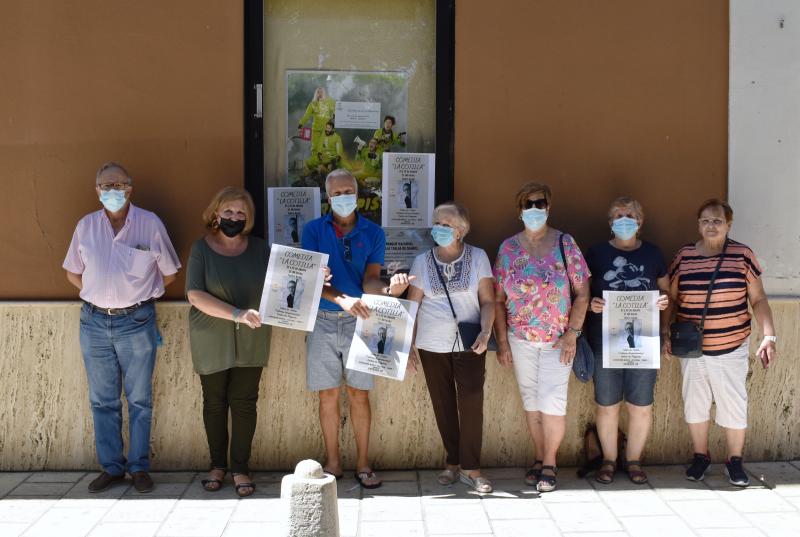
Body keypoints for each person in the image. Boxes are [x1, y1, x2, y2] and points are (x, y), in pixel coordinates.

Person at [63, 162, 180, 493]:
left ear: (131, 188)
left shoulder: (150, 223)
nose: (112, 191)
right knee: (103, 400)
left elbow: (169, 273)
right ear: (96, 190)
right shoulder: (85, 226)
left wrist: (139, 295)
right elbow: (73, 272)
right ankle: (112, 467)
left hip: (137, 321)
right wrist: (99, 294)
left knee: (140, 399)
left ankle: (139, 467)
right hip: (94, 322)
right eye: (105, 185)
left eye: (118, 185)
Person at [301, 169, 413, 489]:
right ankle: (333, 462)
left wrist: (393, 289)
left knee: (359, 394)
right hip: (322, 320)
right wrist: (342, 300)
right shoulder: (313, 230)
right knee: (328, 394)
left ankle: (363, 462)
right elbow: (312, 281)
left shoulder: (373, 232)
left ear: (357, 192)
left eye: (348, 190)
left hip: (362, 319)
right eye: (336, 193)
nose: (343, 197)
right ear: (328, 196)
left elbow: (369, 281)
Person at [664, 199, 777, 487]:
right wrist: (666, 332)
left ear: (728, 224)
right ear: (698, 225)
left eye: (716, 220)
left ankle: (734, 460)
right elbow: (672, 300)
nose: (710, 225)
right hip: (692, 349)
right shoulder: (684, 257)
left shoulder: (742, 256)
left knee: (733, 404)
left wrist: (769, 336)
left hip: (731, 345)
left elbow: (759, 300)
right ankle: (700, 456)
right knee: (695, 404)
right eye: (705, 220)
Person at [493, 182, 590, 492]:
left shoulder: (565, 243)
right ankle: (538, 456)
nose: (534, 209)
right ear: (519, 209)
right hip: (520, 338)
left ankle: (550, 462)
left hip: (557, 340)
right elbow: (497, 299)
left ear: (548, 206)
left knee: (553, 401)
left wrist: (572, 334)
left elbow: (583, 293)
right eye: (528, 204)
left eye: (540, 203)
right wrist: (503, 342)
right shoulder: (508, 249)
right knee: (532, 401)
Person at [185, 187, 270, 498]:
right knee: (215, 402)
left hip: (252, 337)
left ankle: (240, 468)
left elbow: (286, 281)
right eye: (229, 211)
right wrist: (236, 314)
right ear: (216, 213)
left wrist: (319, 276)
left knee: (245, 403)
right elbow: (194, 295)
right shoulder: (201, 249)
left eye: (241, 213)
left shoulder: (261, 249)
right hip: (211, 337)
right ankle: (217, 464)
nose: (234, 217)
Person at [407, 202, 496, 493]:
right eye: (437, 223)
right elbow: (413, 306)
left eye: (446, 224)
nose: (439, 228)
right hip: (431, 344)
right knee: (442, 403)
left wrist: (486, 332)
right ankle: (452, 462)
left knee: (471, 404)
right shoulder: (422, 261)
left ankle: (472, 467)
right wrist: (407, 347)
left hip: (471, 342)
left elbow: (487, 300)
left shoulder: (478, 257)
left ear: (460, 230)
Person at [584, 197, 669, 485]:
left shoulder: (654, 254)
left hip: (645, 341)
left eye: (630, 214)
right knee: (607, 404)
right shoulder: (595, 254)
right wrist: (590, 305)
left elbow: (668, 293)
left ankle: (633, 460)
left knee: (640, 404)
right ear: (610, 222)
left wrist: (664, 305)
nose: (624, 219)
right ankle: (608, 460)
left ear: (640, 221)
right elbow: (580, 292)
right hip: (604, 341)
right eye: (618, 215)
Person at [298, 87, 336, 154]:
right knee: (315, 147)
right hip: (316, 129)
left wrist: (334, 114)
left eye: (321, 92)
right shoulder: (313, 104)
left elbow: (335, 108)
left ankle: (324, 162)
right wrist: (301, 123)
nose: (320, 94)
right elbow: (307, 115)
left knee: (324, 147)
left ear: (324, 93)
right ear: (316, 94)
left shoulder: (329, 102)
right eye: (318, 92)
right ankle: (314, 162)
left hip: (326, 129)